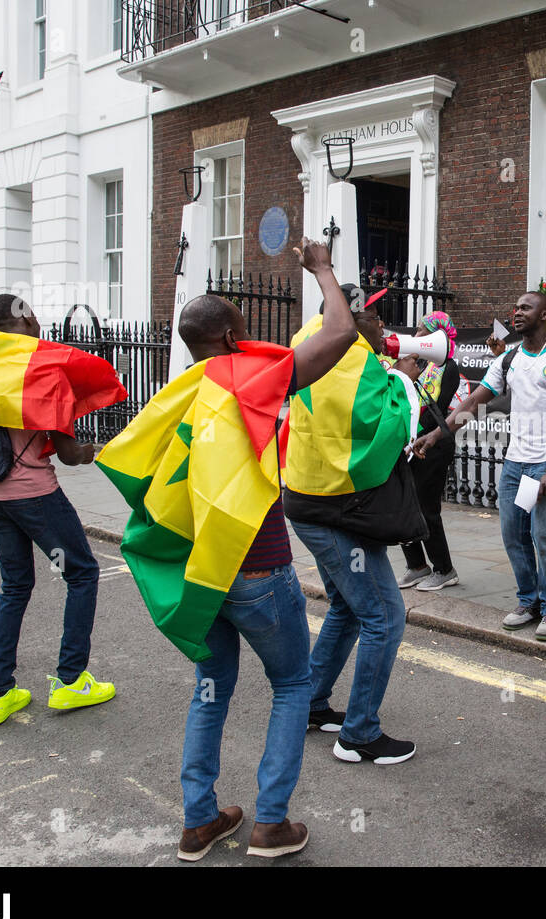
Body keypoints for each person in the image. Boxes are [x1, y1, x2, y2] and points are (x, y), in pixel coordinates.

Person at [170, 239, 360, 860]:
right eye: (242, 322)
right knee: (291, 685)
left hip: (203, 568)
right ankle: (270, 823)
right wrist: (322, 268)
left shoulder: (186, 391)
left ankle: (200, 819)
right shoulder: (251, 376)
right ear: (228, 335)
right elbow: (340, 331)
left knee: (211, 685)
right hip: (257, 564)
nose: (251, 330)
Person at [282, 282, 423, 764]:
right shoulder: (353, 359)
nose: (384, 324)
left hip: (311, 501)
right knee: (385, 617)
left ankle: (310, 706)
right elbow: (389, 428)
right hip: (336, 510)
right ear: (347, 319)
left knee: (345, 606)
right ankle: (359, 734)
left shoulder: (311, 342)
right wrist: (402, 379)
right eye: (374, 316)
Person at [0, 295, 115, 725]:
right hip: (34, 492)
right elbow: (69, 453)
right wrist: (92, 451)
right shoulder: (41, 369)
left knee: (14, 587)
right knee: (82, 573)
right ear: (27, 319)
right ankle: (71, 681)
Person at [415, 291, 546, 639]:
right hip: (515, 464)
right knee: (514, 535)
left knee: (545, 536)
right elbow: (476, 400)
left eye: (526, 307)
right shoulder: (508, 360)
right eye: (516, 307)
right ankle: (529, 601)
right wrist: (436, 434)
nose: (517, 312)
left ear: (545, 316)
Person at [398, 311, 462, 592]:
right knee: (401, 505)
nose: (419, 336)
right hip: (407, 443)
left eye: (426, 332)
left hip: (432, 444)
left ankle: (444, 569)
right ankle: (417, 566)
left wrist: (418, 438)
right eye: (419, 330)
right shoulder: (410, 362)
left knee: (427, 508)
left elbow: (438, 412)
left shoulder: (447, 368)